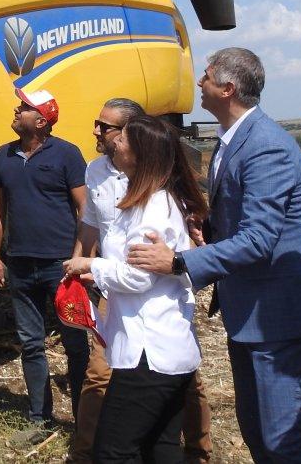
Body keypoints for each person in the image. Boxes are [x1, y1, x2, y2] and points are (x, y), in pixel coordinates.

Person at [128, 48, 301, 463]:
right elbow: (243, 219)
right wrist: (206, 230)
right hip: (251, 311)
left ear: (227, 88)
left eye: (205, 76)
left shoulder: (264, 146)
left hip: (278, 314)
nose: (199, 83)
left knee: (283, 441)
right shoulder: (234, 140)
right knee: (259, 432)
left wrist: (178, 262)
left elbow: (260, 238)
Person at [68, 99, 212, 464]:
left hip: (149, 352)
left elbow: (137, 277)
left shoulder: (153, 207)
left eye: (123, 139)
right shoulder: (145, 199)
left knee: (114, 453)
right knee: (160, 448)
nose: (113, 143)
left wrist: (92, 266)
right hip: (158, 350)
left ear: (142, 155)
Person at [0, 87, 89, 445]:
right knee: (31, 344)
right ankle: (40, 420)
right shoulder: (5, 155)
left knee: (76, 346)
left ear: (41, 121)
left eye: (24, 107)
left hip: (60, 269)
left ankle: (84, 424)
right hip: (19, 265)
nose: (17, 110)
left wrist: (78, 258)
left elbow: (85, 210)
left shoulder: (67, 155)